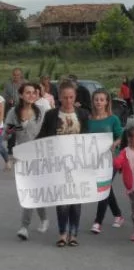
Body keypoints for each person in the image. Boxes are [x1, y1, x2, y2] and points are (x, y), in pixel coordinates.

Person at [37, 80, 90, 247]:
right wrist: (26, 151)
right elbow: (42, 136)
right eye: (65, 97)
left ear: (75, 97)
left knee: (75, 201)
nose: (68, 100)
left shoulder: (82, 114)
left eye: (71, 97)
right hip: (58, 165)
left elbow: (88, 138)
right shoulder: (51, 115)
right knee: (61, 201)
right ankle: (62, 233)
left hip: (77, 164)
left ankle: (73, 234)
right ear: (59, 97)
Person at [5, 83, 49, 240]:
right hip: (22, 158)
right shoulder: (13, 112)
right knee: (30, 192)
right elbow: (6, 134)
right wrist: (10, 131)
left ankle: (24, 226)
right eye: (28, 92)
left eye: (34, 92)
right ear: (21, 95)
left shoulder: (42, 112)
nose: (31, 95)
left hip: (40, 158)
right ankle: (44, 218)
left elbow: (50, 132)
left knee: (31, 191)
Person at [88, 89, 125, 234]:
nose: (99, 102)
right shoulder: (89, 119)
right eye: (96, 99)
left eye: (101, 100)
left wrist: (116, 143)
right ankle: (118, 215)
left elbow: (121, 136)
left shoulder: (113, 119)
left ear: (107, 102)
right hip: (95, 160)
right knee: (106, 188)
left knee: (103, 188)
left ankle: (98, 222)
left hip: (110, 159)